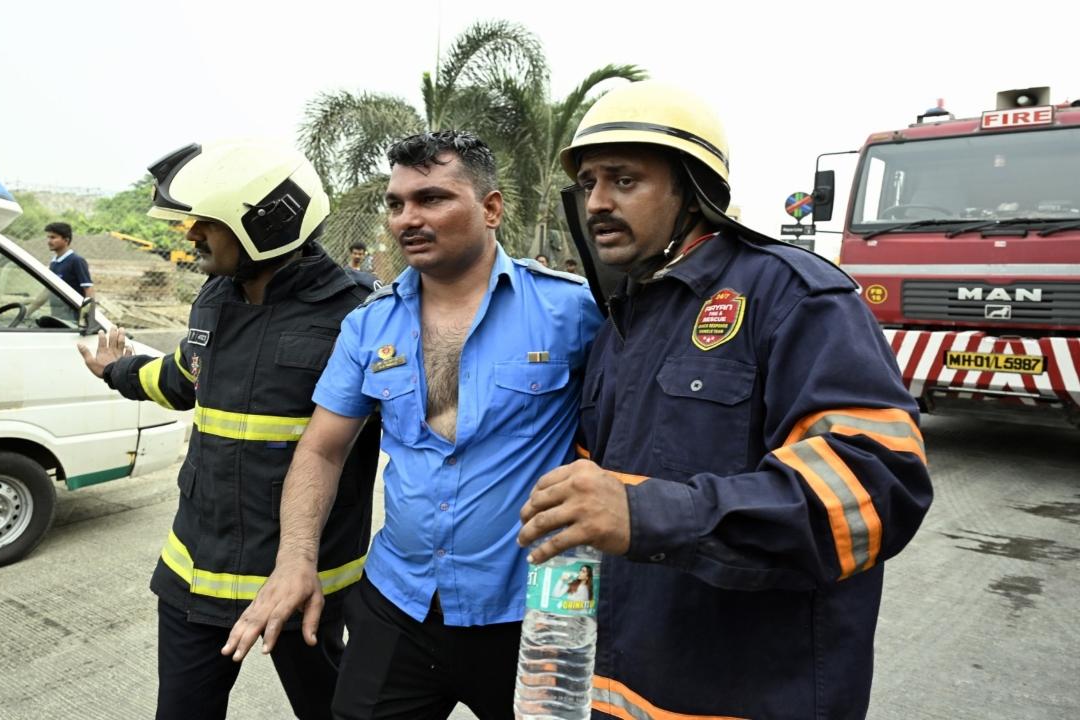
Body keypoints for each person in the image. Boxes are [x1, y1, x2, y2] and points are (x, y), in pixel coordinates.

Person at [518, 80, 933, 719]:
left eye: (624, 180)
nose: (597, 202)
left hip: (755, 696)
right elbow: (592, 498)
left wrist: (649, 513)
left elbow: (877, 486)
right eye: (589, 184)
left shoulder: (795, 298)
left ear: (693, 191)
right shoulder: (623, 321)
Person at [224, 130, 603, 720]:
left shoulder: (570, 311)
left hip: (529, 610)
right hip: (399, 601)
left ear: (491, 208)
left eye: (431, 199)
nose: (407, 219)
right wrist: (295, 559)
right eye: (396, 204)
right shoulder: (369, 327)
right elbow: (323, 449)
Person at [77, 138, 380, 720]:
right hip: (196, 572)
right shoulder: (214, 297)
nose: (191, 236)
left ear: (266, 227)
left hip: (306, 585)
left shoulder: (360, 314)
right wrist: (116, 371)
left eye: (206, 224)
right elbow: (186, 380)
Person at [45, 222, 94, 298]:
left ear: (66, 240)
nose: (49, 241)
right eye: (48, 237)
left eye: (53, 237)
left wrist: (87, 309)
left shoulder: (76, 261)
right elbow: (47, 292)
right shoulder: (53, 263)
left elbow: (88, 289)